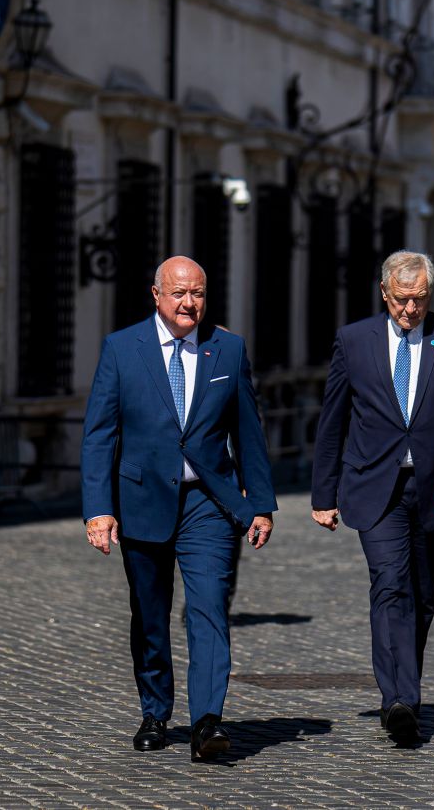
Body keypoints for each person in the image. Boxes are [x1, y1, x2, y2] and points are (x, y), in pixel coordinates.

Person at [80, 256, 276, 762]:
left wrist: (260, 504)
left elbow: (248, 433)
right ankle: (155, 710)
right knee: (149, 615)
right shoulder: (122, 349)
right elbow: (100, 434)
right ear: (157, 294)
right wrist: (98, 509)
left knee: (209, 605)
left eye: (199, 294)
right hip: (141, 497)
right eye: (179, 294)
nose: (190, 303)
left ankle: (208, 720)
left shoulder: (227, 349)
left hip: (209, 503)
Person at [311, 250, 434, 744]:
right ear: (384, 294)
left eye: (419, 300)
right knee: (390, 585)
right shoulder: (354, 340)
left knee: (422, 597)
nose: (410, 310)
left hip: (433, 488)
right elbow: (333, 423)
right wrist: (323, 494)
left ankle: (403, 687)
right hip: (373, 487)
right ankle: (399, 700)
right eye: (401, 300)